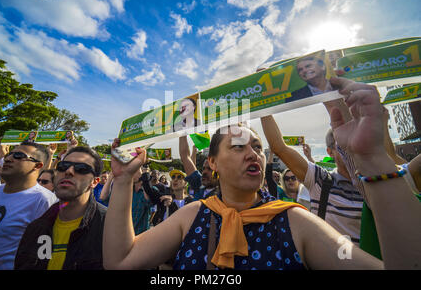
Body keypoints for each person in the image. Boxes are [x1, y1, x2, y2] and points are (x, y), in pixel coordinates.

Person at [103, 77, 421, 270]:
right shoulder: (192, 215)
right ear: (211, 163)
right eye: (238, 147)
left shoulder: (294, 221)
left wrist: (373, 157)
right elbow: (119, 262)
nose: (253, 153)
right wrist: (122, 180)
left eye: (256, 146)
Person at [261, 114, 364, 244]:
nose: (352, 147)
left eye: (358, 140)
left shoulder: (379, 181)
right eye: (343, 144)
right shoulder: (321, 181)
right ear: (330, 152)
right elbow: (279, 146)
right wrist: (264, 101)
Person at [15, 146, 106, 270]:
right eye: (63, 166)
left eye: (82, 168)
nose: (69, 171)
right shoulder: (36, 228)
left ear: (95, 182)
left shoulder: (109, 227)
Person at [0, 141, 57, 269]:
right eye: (9, 155)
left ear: (37, 165)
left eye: (18, 156)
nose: (9, 158)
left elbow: (45, 254)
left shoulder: (44, 200)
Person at [179, 136, 218, 200]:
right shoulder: (199, 183)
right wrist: (182, 132)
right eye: (203, 168)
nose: (204, 172)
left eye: (210, 169)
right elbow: (185, 157)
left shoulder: (225, 194)